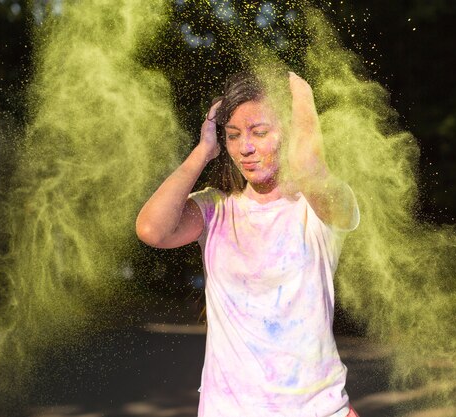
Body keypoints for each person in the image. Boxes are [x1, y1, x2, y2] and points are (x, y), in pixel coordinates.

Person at [136, 71, 360, 417]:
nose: (246, 148)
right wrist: (203, 151)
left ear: (288, 131)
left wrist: (301, 93)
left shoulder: (319, 208)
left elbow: (307, 166)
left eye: (260, 132)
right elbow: (152, 228)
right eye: (233, 135)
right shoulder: (215, 208)